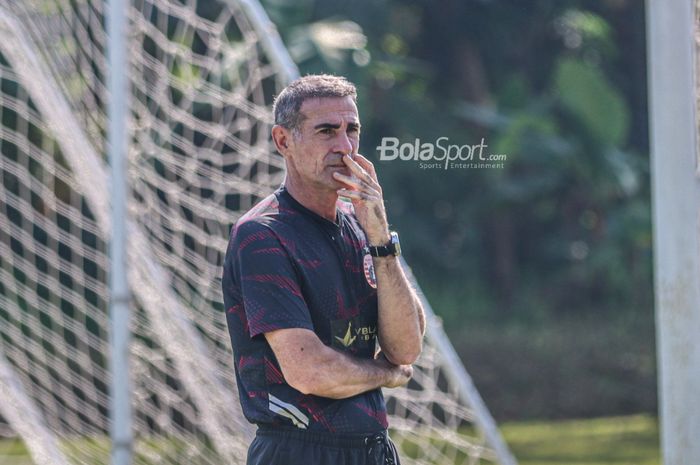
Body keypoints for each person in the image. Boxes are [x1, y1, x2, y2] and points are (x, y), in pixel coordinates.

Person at [222, 74, 426, 465]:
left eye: (352, 130)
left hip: (374, 449)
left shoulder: (362, 225)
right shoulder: (263, 235)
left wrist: (382, 239)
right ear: (284, 141)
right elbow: (309, 372)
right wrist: (383, 374)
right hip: (298, 450)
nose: (345, 146)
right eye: (327, 131)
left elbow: (405, 348)